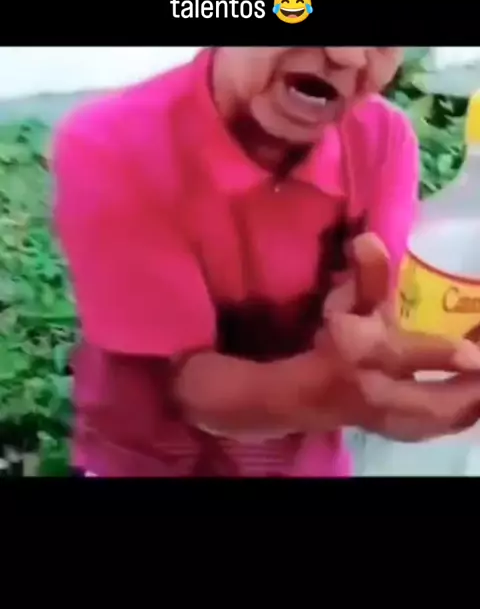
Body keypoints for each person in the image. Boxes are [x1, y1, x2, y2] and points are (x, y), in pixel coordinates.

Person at [52, 47, 480, 478]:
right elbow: (189, 388)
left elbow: (375, 322)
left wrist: (387, 358)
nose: (348, 55)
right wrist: (346, 397)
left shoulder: (380, 140)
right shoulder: (115, 145)